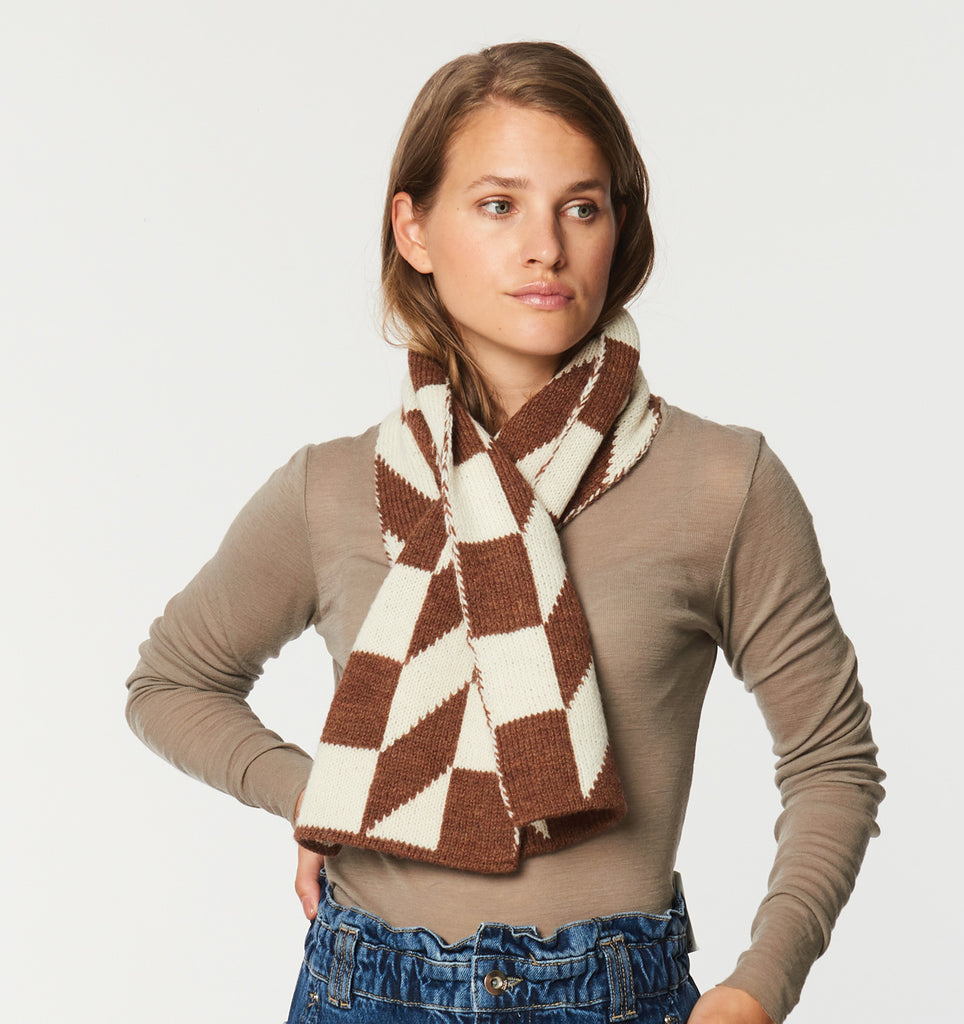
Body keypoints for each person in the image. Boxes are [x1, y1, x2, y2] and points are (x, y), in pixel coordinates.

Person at [125, 41, 884, 1024]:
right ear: (414, 228)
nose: (546, 248)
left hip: (613, 995)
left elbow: (832, 762)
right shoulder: (331, 487)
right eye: (498, 205)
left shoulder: (719, 481)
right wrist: (330, 791)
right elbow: (170, 683)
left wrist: (757, 988)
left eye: (582, 207)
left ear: (617, 227)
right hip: (365, 988)